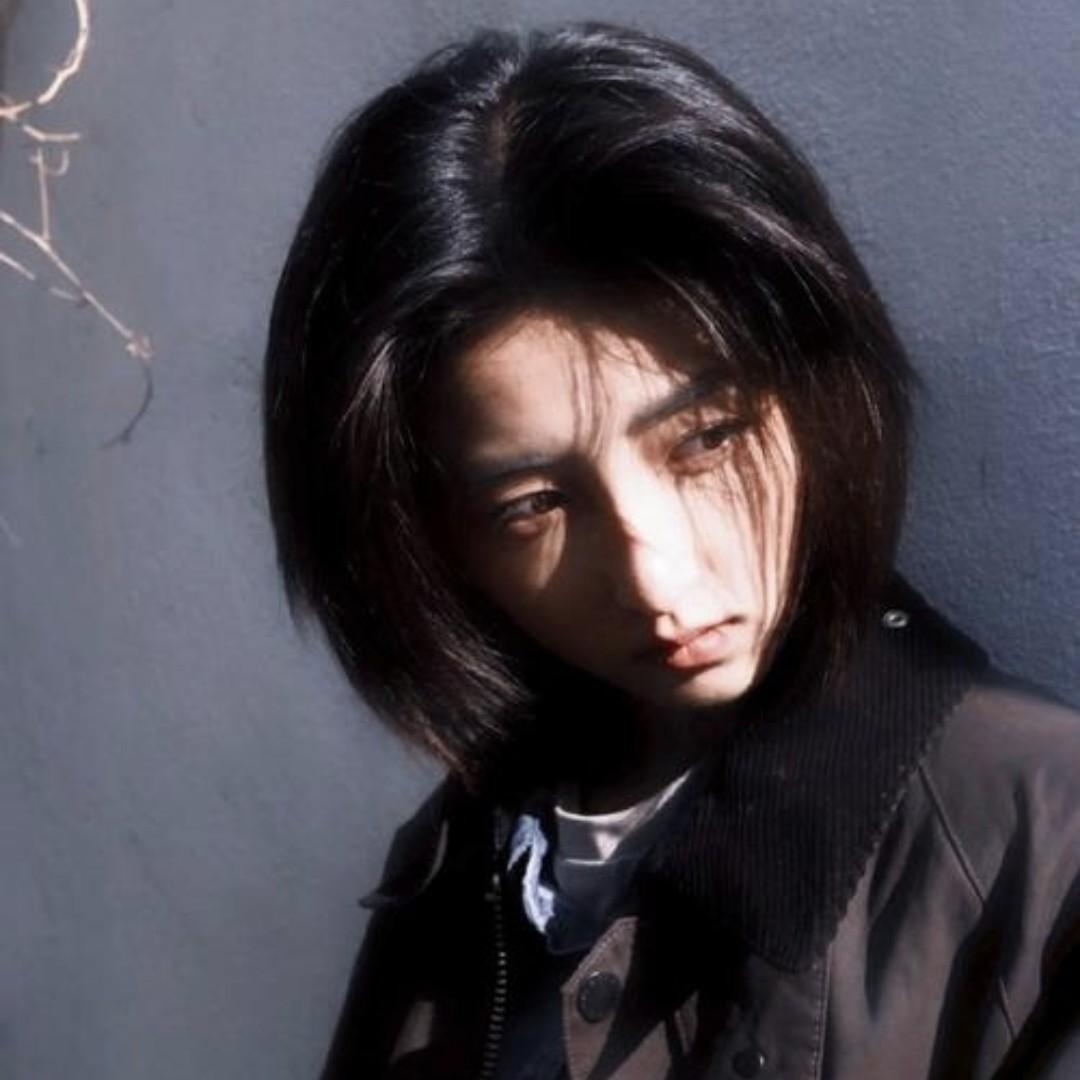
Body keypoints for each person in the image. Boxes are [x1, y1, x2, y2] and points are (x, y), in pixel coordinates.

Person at [262, 22, 1079, 1079]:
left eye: (706, 439)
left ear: (817, 390)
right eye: (534, 505)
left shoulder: (1043, 839)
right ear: (429, 546)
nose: (656, 576)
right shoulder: (464, 860)